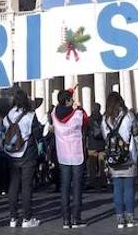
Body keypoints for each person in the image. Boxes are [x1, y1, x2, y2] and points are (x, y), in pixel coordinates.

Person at [2, 90, 43, 228]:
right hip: (27, 154)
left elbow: (4, 128)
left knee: (13, 186)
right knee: (26, 187)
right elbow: (37, 133)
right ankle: (27, 218)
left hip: (12, 154)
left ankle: (13, 217)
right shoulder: (30, 115)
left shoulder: (9, 114)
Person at [52, 89, 89, 229]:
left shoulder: (54, 114)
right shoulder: (77, 115)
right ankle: (76, 218)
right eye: (71, 99)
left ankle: (65, 220)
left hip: (63, 154)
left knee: (65, 187)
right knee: (77, 187)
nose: (73, 100)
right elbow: (86, 121)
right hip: (76, 153)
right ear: (67, 101)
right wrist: (79, 107)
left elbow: (59, 109)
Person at [102, 91, 138, 229]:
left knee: (117, 188)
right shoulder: (129, 115)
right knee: (129, 188)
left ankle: (119, 219)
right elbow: (136, 132)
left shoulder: (105, 118)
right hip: (128, 156)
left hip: (113, 157)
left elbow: (105, 136)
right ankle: (130, 217)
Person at [86, 103, 106, 189]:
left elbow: (85, 131)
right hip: (101, 144)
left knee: (92, 166)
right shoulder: (103, 119)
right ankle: (103, 182)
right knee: (102, 165)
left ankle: (92, 182)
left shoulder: (89, 119)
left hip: (92, 145)